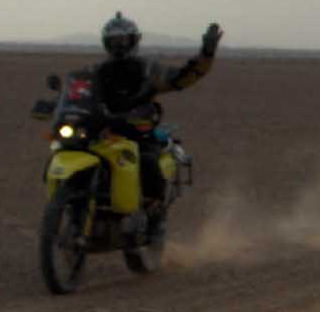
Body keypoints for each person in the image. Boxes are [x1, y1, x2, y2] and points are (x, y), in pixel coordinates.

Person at [90, 12, 223, 211]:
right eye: (114, 41)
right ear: (106, 43)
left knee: (147, 161)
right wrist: (56, 104)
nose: (119, 46)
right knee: (75, 147)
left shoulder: (148, 70)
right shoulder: (97, 71)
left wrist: (206, 53)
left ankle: (151, 209)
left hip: (137, 130)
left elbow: (183, 77)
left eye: (123, 41)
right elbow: (77, 91)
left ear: (133, 41)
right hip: (103, 130)